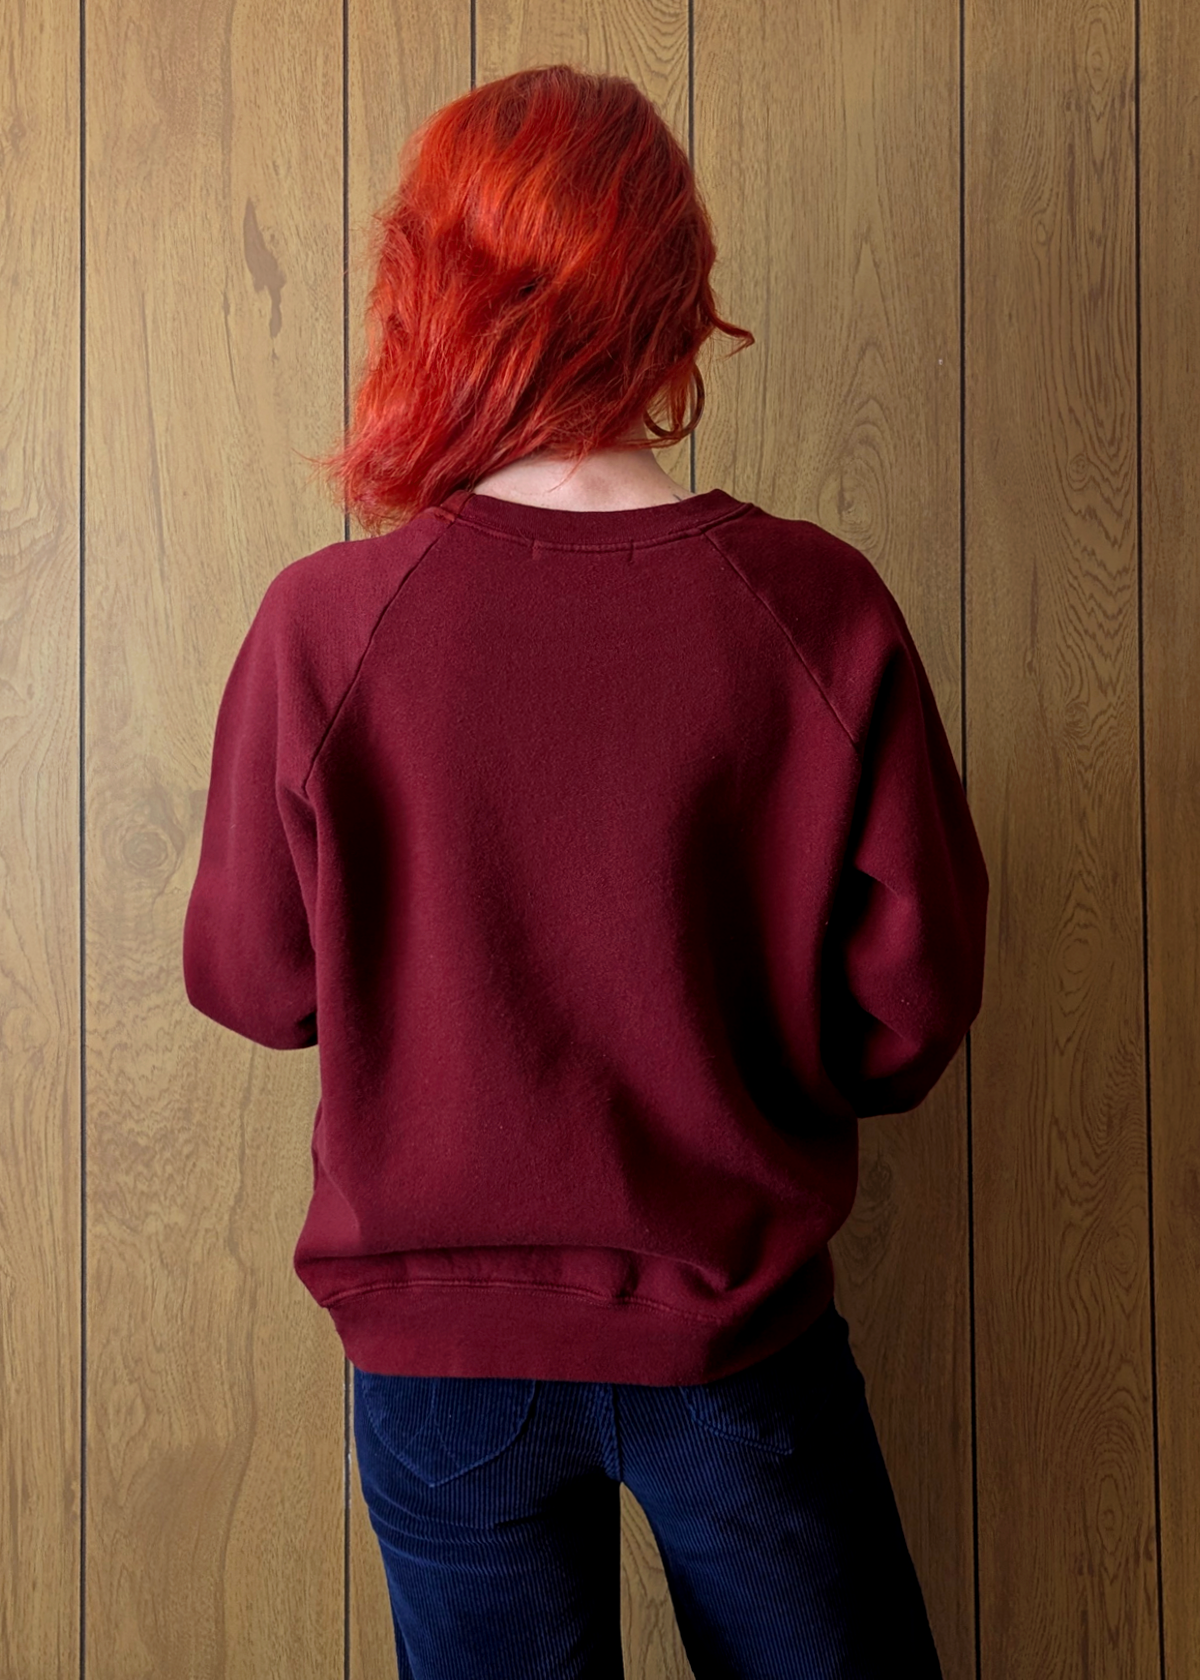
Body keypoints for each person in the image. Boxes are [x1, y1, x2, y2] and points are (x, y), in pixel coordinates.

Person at [184, 60, 988, 1680]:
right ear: (678, 297)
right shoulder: (813, 610)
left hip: (438, 1356)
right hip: (734, 1335)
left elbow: (254, 985)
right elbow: (909, 1018)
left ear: (423, 296)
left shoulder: (327, 626)